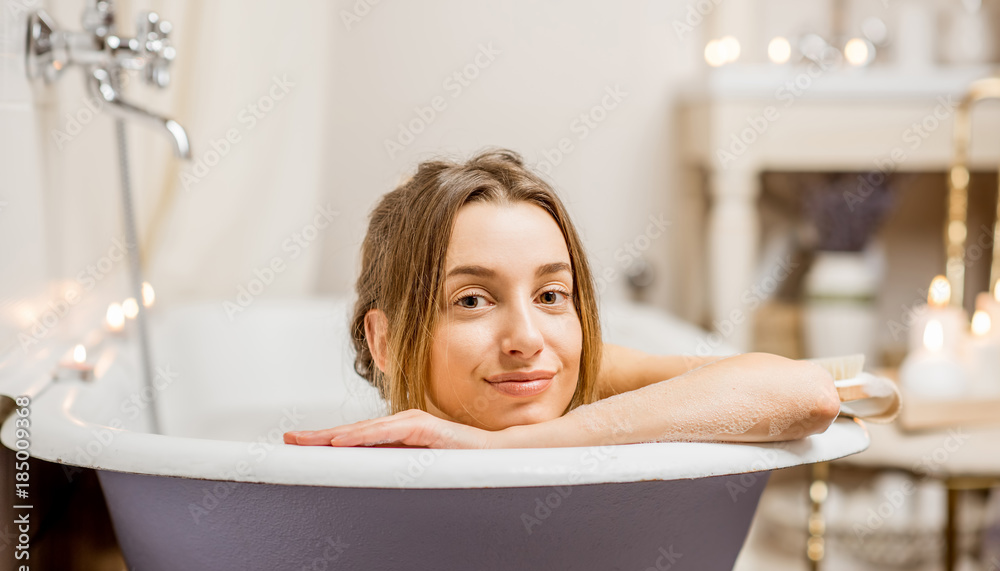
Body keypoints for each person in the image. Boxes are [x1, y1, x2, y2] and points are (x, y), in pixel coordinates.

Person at [283, 147, 841, 450]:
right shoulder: (344, 474)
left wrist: (522, 447)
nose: (527, 339)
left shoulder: (589, 379)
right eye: (473, 301)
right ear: (383, 341)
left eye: (551, 294)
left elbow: (808, 393)